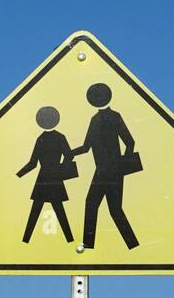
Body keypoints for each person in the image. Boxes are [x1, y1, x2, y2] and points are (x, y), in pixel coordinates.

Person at [71, 83, 139, 250]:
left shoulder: (105, 118)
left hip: (108, 172)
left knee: (102, 207)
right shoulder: (104, 118)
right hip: (108, 172)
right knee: (107, 208)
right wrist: (69, 153)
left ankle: (91, 244)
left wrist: (123, 165)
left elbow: (129, 142)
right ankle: (129, 244)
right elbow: (87, 147)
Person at [16, 106, 75, 243]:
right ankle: (70, 239)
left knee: (36, 210)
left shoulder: (40, 139)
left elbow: (33, 163)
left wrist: (19, 174)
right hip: (55, 178)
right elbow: (69, 156)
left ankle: (26, 239)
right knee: (59, 210)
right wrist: (60, 169)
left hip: (43, 179)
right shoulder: (60, 137)